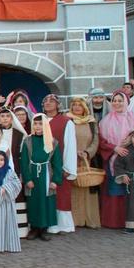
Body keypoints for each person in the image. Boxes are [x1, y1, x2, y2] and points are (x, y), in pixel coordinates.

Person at [98, 90, 134, 229]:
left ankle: (132, 220)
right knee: (114, 189)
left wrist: (129, 146)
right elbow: (101, 142)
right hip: (112, 159)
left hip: (132, 160)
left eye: (120, 100)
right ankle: (115, 221)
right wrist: (115, 148)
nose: (117, 103)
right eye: (114, 100)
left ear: (126, 102)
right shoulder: (105, 121)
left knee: (132, 190)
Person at [21, 114, 63, 241]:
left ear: (45, 125)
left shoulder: (52, 141)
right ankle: (34, 228)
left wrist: (55, 180)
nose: (37, 126)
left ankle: (44, 229)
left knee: (46, 201)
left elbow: (57, 163)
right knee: (33, 201)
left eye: (40, 124)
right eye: (35, 124)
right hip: (33, 173)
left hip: (46, 174)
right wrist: (27, 179)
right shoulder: (27, 141)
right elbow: (24, 161)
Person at [42, 94, 77, 234]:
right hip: (43, 165)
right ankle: (48, 223)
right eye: (45, 101)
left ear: (58, 105)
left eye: (52, 101)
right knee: (46, 194)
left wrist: (68, 167)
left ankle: (63, 225)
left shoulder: (66, 122)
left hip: (59, 164)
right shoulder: (39, 120)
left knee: (61, 195)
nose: (48, 103)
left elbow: (70, 145)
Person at [67, 97, 100, 229]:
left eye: (79, 105)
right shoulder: (68, 120)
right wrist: (73, 152)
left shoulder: (91, 122)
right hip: (72, 158)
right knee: (74, 188)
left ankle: (89, 219)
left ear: (84, 107)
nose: (76, 107)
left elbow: (96, 140)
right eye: (74, 105)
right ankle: (76, 220)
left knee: (88, 188)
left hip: (88, 159)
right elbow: (66, 139)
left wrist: (87, 152)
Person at [0, 108, 28, 238]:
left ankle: (20, 231)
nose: (4, 118)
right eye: (2, 116)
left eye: (7, 116)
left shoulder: (19, 134)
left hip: (16, 169)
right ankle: (2, 230)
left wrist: (20, 174)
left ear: (12, 118)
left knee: (17, 198)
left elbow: (22, 156)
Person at [114, 127, 134, 233]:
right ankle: (132, 226)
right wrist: (123, 175)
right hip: (132, 181)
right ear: (130, 138)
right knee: (132, 203)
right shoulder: (126, 150)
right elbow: (118, 165)